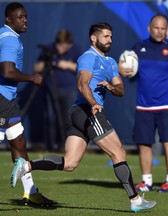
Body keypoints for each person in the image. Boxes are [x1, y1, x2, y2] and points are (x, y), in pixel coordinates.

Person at [11, 22, 156, 212]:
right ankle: (136, 200)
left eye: (111, 36)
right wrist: (94, 103)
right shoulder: (88, 57)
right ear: (93, 38)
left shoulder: (111, 62)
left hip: (79, 113)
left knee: (70, 163)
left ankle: (27, 165)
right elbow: (82, 84)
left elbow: (120, 90)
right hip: (87, 111)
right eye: (105, 36)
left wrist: (112, 87)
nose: (109, 40)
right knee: (118, 152)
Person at [118, 14, 168, 193]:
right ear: (149, 28)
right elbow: (130, 72)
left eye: (163, 28)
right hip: (144, 106)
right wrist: (122, 70)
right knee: (144, 144)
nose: (160, 31)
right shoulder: (138, 48)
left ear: (167, 30)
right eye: (156, 27)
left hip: (166, 106)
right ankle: (146, 182)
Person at [0, 2, 56, 206]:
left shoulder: (6, 36)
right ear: (8, 19)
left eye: (26, 16)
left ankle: (30, 192)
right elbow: (7, 71)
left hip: (8, 98)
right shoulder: (10, 41)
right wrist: (32, 78)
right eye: (20, 17)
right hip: (2, 99)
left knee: (19, 141)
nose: (25, 20)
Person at [33, 29, 81, 150]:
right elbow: (36, 68)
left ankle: (69, 147)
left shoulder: (76, 50)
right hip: (50, 89)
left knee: (69, 119)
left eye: (64, 45)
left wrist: (67, 65)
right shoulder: (49, 49)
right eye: (59, 45)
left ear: (69, 44)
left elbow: (82, 68)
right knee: (50, 118)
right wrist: (48, 63)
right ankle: (50, 146)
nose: (60, 48)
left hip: (69, 90)